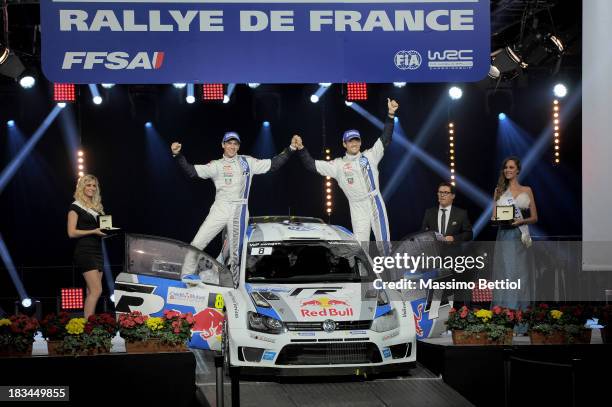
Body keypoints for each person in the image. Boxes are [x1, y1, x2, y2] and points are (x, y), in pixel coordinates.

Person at [171, 132, 297, 283]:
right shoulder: (216, 165)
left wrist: (291, 148)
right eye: (229, 143)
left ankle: (235, 284)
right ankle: (185, 278)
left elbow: (273, 164)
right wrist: (177, 155)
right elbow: (191, 172)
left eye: (235, 144)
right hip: (219, 208)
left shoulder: (247, 161)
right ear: (223, 145)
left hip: (239, 208)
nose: (232, 146)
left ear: (238, 146)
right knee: (197, 243)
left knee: (235, 253)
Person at [296, 98, 399, 254]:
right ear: (344, 144)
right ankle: (365, 277)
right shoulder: (337, 165)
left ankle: (389, 276)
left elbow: (385, 138)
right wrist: (302, 148)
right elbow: (311, 165)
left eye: (356, 140)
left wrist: (390, 115)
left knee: (384, 244)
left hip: (374, 201)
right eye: (350, 141)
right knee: (360, 246)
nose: (354, 143)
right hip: (356, 206)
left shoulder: (370, 156)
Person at [491, 156, 538, 312]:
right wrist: (500, 218)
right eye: (506, 167)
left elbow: (534, 218)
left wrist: (521, 222)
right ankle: (505, 314)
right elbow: (493, 216)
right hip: (504, 235)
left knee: (521, 275)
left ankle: (521, 316)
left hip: (520, 235)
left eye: (511, 167)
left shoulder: (527, 190)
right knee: (506, 274)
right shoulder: (499, 190)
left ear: (518, 170)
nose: (508, 170)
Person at [67, 174, 107, 319]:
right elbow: (71, 232)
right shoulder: (75, 206)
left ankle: (88, 327)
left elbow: (100, 230)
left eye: (94, 185)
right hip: (85, 251)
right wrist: (94, 231)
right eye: (88, 185)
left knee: (91, 292)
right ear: (82, 187)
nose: (91, 188)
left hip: (97, 251)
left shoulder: (96, 208)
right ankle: (88, 326)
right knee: (97, 290)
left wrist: (106, 232)